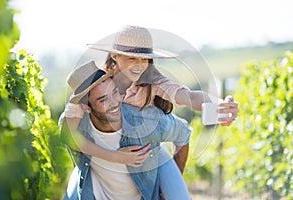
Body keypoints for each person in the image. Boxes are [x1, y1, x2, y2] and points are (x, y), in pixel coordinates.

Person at [65, 25, 239, 171]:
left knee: (176, 195)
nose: (139, 65)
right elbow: (68, 133)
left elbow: (189, 97)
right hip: (103, 155)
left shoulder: (153, 82)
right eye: (132, 58)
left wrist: (218, 104)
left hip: (147, 153)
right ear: (114, 56)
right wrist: (115, 157)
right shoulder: (96, 85)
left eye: (145, 59)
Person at [61, 61, 192, 199]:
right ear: (85, 108)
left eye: (115, 92)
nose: (114, 103)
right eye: (103, 100)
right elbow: (66, 135)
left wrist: (166, 190)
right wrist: (116, 157)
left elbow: (183, 133)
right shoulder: (77, 126)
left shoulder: (146, 121)